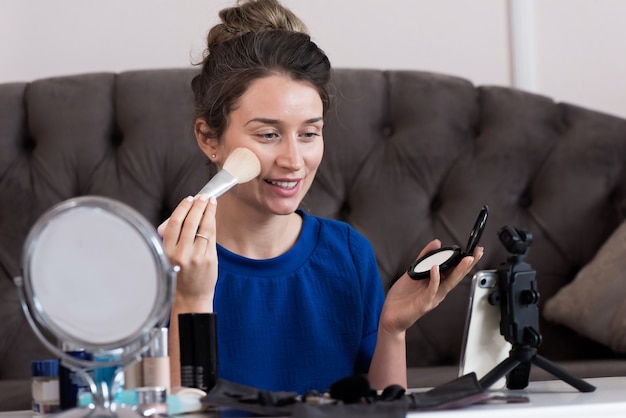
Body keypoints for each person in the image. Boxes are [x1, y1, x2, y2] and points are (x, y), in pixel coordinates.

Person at [160, 0, 483, 394]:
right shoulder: (158, 267)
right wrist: (190, 297)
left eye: (309, 133)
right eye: (268, 134)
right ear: (209, 138)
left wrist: (391, 329)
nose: (294, 160)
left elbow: (381, 409)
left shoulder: (348, 254)